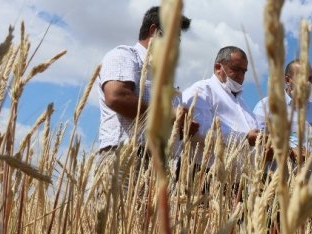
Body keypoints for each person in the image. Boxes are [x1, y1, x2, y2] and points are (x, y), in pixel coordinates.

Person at [95, 6, 192, 164]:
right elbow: (116, 97)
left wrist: (181, 126)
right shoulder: (125, 55)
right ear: (154, 30)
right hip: (126, 155)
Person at [181, 46, 259, 172]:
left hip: (236, 182)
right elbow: (199, 129)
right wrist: (244, 138)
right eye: (235, 69)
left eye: (243, 71)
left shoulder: (244, 105)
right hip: (202, 172)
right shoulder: (201, 90)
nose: (240, 76)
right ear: (218, 68)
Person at [253, 59, 312, 165]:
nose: (307, 83)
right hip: (274, 178)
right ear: (287, 80)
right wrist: (290, 151)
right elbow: (258, 141)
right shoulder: (266, 106)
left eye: (310, 79)